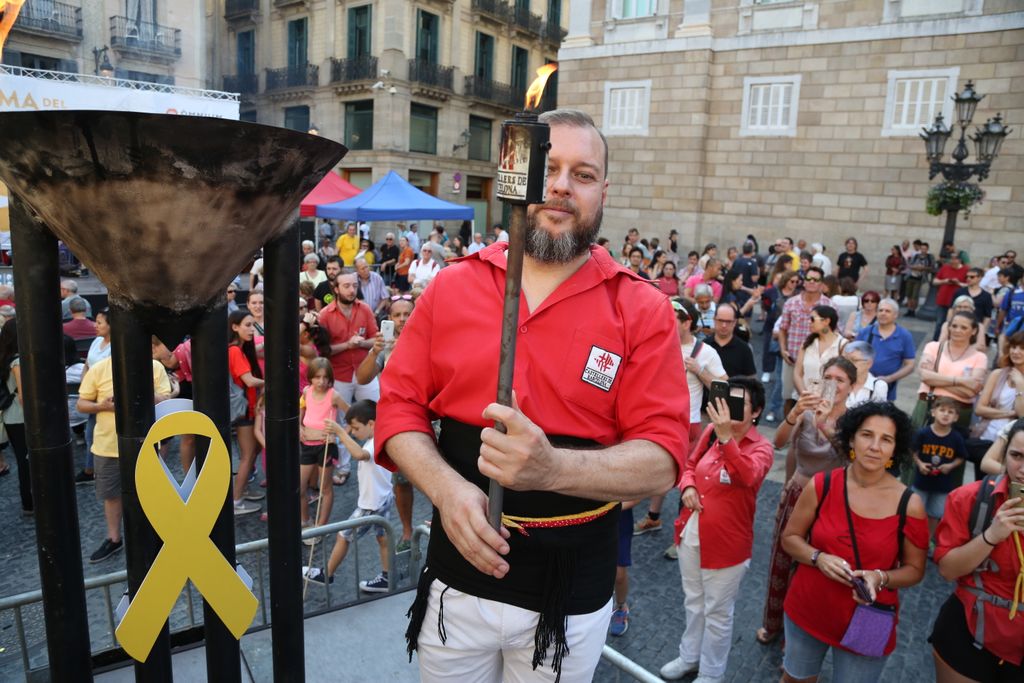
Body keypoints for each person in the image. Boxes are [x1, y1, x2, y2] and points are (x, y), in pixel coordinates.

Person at [376, 109, 689, 681]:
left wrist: (550, 469)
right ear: (518, 173)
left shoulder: (643, 308)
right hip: (457, 581)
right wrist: (446, 489)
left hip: (570, 597)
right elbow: (397, 409)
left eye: (583, 173)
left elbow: (663, 458)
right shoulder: (452, 285)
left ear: (604, 191)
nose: (563, 185)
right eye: (549, 167)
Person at [780, 401, 928, 682]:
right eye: (867, 435)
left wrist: (879, 576)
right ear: (851, 439)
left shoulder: (910, 504)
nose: (875, 446)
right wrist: (817, 557)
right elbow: (790, 539)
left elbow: (915, 571)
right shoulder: (822, 485)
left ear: (895, 450)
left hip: (869, 617)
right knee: (795, 678)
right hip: (809, 607)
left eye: (886, 439)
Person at [661, 378, 773, 681]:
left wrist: (727, 440)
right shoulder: (710, 432)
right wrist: (688, 487)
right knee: (693, 600)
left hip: (727, 544)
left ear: (757, 412)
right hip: (692, 531)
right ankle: (689, 656)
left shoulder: (761, 448)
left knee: (718, 612)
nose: (730, 409)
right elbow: (688, 466)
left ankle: (712, 673)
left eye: (740, 404)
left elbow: (747, 477)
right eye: (728, 401)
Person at [756, 357, 853, 644]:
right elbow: (779, 442)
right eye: (829, 377)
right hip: (798, 492)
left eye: (840, 380)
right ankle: (772, 624)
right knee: (780, 562)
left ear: (851, 387)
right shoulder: (806, 409)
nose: (833, 385)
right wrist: (795, 412)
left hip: (829, 499)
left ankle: (796, 638)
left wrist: (824, 424)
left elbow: (852, 457)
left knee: (810, 569)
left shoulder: (854, 420)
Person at [929, 420, 1024, 682]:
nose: (1023, 469)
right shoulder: (969, 498)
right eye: (1016, 456)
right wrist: (992, 535)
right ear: (1004, 456)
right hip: (970, 630)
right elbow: (947, 570)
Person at [634, 299, 726, 539]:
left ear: (687, 323)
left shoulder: (706, 352)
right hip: (653, 418)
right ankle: (653, 517)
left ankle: (682, 533)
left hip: (688, 422)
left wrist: (699, 370)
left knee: (686, 477)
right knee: (657, 470)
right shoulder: (656, 342)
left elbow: (724, 386)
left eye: (673, 318)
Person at [77, 339, 173, 561]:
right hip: (106, 445)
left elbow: (165, 401)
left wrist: (143, 390)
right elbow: (81, 404)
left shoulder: (155, 367)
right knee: (110, 494)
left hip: (146, 442)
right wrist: (103, 405)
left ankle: (157, 534)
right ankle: (114, 538)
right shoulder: (100, 368)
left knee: (152, 492)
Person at [303, 400, 394, 592]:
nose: (353, 432)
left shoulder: (372, 443)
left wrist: (340, 432)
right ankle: (387, 577)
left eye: (355, 428)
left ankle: (326, 574)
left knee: (343, 536)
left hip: (371, 504)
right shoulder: (380, 437)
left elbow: (359, 454)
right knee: (382, 538)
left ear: (371, 424)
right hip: (384, 498)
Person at [356, 294, 417, 552]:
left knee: (443, 474)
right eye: (397, 315)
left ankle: (442, 524)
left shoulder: (426, 338)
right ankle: (406, 529)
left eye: (407, 314)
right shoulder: (385, 345)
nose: (402, 319)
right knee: (402, 481)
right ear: (389, 319)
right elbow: (362, 377)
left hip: (430, 416)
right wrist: (375, 351)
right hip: (399, 420)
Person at [318, 270, 379, 486]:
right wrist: (347, 345)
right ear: (335, 289)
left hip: (365, 371)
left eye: (354, 285)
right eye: (346, 286)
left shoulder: (365, 309)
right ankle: (343, 467)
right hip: (340, 374)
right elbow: (322, 350)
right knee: (341, 423)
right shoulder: (325, 314)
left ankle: (380, 458)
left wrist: (361, 343)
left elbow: (375, 339)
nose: (352, 289)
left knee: (378, 414)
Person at [914, 312, 988, 435]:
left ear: (974, 331)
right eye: (954, 326)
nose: (957, 330)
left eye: (963, 327)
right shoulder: (933, 347)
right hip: (928, 405)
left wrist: (935, 380)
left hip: (959, 412)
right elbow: (924, 376)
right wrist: (962, 381)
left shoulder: (980, 357)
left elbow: (972, 390)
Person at [298, 358, 349, 536]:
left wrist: (341, 433)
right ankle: (305, 520)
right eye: (317, 377)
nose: (321, 381)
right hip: (307, 445)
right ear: (310, 377)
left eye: (325, 377)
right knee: (300, 486)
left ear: (330, 379)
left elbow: (352, 414)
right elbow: (301, 410)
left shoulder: (333, 395)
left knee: (325, 487)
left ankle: (321, 526)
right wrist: (299, 427)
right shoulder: (306, 391)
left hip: (326, 446)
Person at [911, 396, 967, 546]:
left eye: (950, 412)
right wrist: (920, 463)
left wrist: (950, 466)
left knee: (935, 514)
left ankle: (927, 542)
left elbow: (961, 457)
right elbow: (913, 451)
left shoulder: (956, 438)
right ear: (933, 412)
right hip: (921, 482)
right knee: (915, 511)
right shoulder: (923, 433)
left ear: (956, 418)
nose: (946, 414)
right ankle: (913, 539)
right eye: (942, 410)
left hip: (942, 485)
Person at [969, 333, 1024, 480]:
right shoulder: (998, 374)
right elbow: (980, 409)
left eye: (1022, 348)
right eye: (1013, 347)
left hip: (1012, 444)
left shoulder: (1020, 382)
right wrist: (1009, 413)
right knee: (983, 484)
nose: (1016, 352)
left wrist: (1020, 384)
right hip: (986, 437)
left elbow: (1022, 415)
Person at [778, 266, 832, 415]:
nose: (811, 282)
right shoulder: (791, 303)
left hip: (817, 363)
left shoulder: (829, 305)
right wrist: (783, 349)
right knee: (789, 398)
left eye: (816, 279)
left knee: (816, 400)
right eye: (808, 279)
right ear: (804, 282)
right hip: (792, 359)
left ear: (821, 283)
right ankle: (788, 432)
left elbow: (834, 333)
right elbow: (783, 329)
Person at [228, 310, 266, 516]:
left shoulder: (239, 349)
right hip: (245, 411)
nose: (251, 329)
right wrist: (271, 383)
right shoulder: (234, 351)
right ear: (234, 327)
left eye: (252, 325)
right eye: (247, 325)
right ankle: (236, 500)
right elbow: (249, 381)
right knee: (248, 454)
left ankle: (240, 492)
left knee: (252, 452)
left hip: (249, 408)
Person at [74, 309, 114, 484]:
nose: (95, 326)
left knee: (95, 433)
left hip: (104, 396)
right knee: (92, 433)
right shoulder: (96, 341)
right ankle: (92, 469)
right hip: (91, 394)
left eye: (99, 323)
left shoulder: (117, 346)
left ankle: (93, 470)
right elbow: (87, 365)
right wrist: (85, 385)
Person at [854, 298, 916, 401]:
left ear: (895, 315)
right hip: (860, 386)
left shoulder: (904, 336)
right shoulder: (865, 332)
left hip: (887, 390)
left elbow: (910, 365)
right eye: (880, 310)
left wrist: (889, 379)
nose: (883, 313)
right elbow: (851, 357)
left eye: (887, 311)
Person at [761, 270, 801, 423]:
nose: (794, 285)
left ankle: (793, 414)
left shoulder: (798, 298)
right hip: (781, 344)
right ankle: (773, 408)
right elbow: (776, 327)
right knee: (781, 380)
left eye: (797, 282)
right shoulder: (776, 293)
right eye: (792, 281)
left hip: (798, 346)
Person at [793, 305, 844, 397]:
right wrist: (805, 395)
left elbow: (844, 378)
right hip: (805, 401)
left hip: (829, 403)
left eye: (812, 319)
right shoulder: (807, 344)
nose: (809, 322)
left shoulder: (843, 345)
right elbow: (797, 373)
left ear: (826, 321)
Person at [706, 302, 756, 378]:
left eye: (728, 321)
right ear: (714, 320)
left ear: (734, 322)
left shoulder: (744, 349)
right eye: (721, 320)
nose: (724, 325)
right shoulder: (704, 345)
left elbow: (751, 380)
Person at [932, 250, 970, 341]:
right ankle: (936, 341)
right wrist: (944, 281)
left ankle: (950, 340)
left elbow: (969, 285)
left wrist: (958, 283)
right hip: (943, 300)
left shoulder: (966, 270)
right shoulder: (945, 267)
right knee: (939, 322)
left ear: (960, 260)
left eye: (955, 259)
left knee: (954, 322)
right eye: (951, 259)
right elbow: (935, 281)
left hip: (957, 303)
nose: (952, 261)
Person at [953, 268, 994, 344]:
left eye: (972, 277)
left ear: (980, 278)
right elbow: (951, 309)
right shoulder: (959, 291)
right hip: (958, 327)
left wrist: (981, 332)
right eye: (967, 277)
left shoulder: (986, 296)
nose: (968, 279)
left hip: (974, 329)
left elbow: (987, 316)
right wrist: (949, 324)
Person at [842, 341, 889, 407]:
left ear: (869, 363)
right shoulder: (838, 382)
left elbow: (878, 414)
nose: (847, 364)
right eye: (845, 360)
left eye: (854, 360)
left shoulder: (878, 386)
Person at [905, 242, 935, 316]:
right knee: (909, 294)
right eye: (922, 248)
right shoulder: (916, 256)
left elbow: (932, 267)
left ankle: (913, 310)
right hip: (911, 276)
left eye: (925, 249)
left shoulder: (929, 257)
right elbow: (909, 265)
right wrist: (915, 267)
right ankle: (909, 310)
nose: (923, 250)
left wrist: (923, 268)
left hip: (920, 278)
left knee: (914, 295)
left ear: (927, 249)